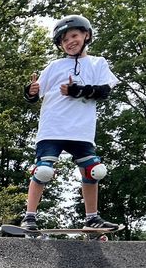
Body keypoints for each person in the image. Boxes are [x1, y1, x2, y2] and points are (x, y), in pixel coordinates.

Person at [21, 14, 120, 233]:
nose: (69, 42)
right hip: (52, 128)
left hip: (81, 131)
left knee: (95, 171)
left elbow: (105, 91)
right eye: (64, 40)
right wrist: (30, 92)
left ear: (86, 35)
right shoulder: (55, 66)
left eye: (74, 36)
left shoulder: (98, 63)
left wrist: (79, 91)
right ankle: (29, 217)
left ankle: (92, 218)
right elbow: (34, 95)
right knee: (43, 171)